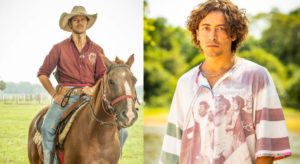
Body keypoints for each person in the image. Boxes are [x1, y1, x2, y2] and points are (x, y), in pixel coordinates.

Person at [159, 0, 291, 164]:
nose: (212, 36)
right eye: (206, 28)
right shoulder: (185, 82)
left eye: (221, 29)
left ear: (234, 34)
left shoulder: (257, 76)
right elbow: (173, 144)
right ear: (197, 33)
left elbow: (266, 147)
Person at [37, 6, 127, 164]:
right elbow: (43, 73)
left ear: (87, 23)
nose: (79, 22)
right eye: (75, 19)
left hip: (91, 97)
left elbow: (102, 77)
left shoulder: (97, 49)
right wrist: (54, 94)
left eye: (83, 19)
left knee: (123, 132)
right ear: (70, 24)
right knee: (47, 128)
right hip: (66, 97)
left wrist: (93, 89)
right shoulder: (59, 48)